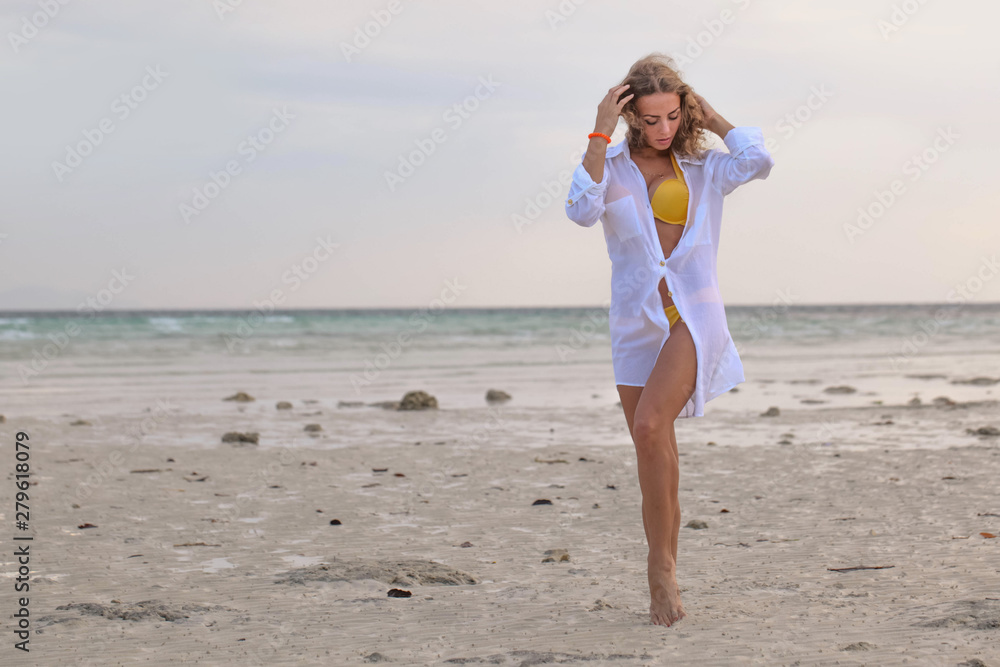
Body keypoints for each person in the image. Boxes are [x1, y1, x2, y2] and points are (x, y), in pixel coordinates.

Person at [564, 53, 775, 627]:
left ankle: (661, 573)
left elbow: (759, 159)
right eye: (651, 119)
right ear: (632, 116)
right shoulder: (611, 166)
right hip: (634, 324)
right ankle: (666, 563)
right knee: (654, 450)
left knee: (651, 426)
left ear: (686, 111)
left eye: (673, 116)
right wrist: (598, 129)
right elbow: (580, 209)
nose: (663, 129)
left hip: (693, 315)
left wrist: (717, 120)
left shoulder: (706, 169)